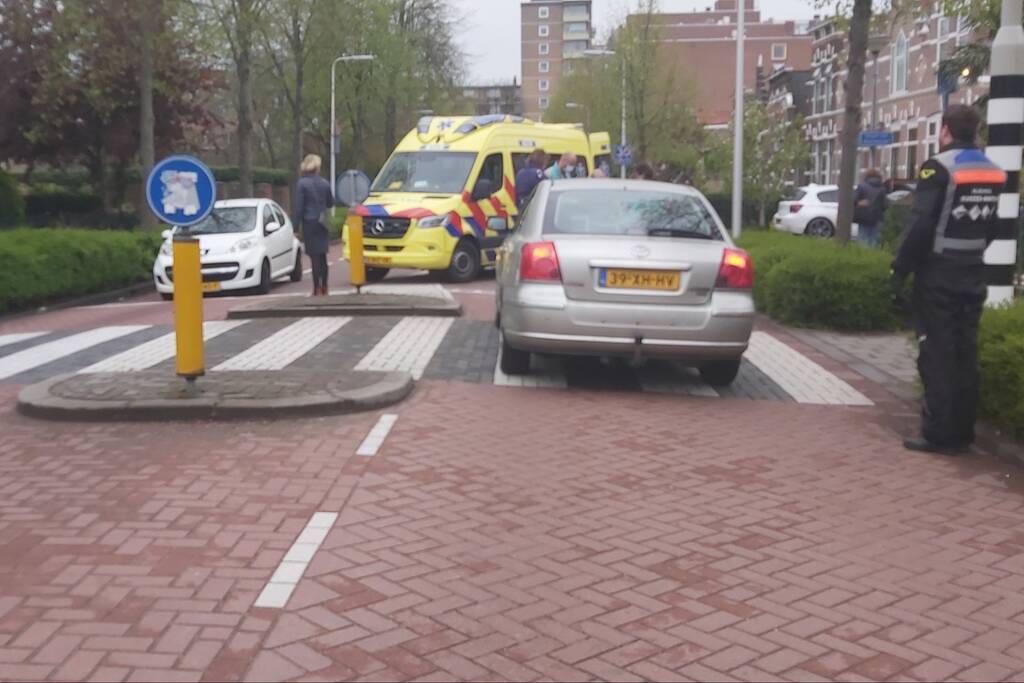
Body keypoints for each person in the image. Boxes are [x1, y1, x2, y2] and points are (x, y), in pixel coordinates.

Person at [890, 104, 1006, 455]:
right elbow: (995, 225)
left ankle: (938, 434)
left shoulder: (938, 168)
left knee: (937, 352)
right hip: (972, 271)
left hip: (938, 273)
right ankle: (962, 431)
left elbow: (922, 224)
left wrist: (900, 269)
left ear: (945, 131)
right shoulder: (993, 171)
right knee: (965, 352)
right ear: (976, 130)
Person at [293, 154, 335, 296]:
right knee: (323, 256)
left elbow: (299, 208)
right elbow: (331, 203)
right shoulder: (325, 183)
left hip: (309, 223)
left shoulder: (302, 184)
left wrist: (295, 227)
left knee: (314, 257)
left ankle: (316, 288)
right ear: (317, 167)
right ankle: (325, 287)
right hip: (322, 222)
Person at [853, 169, 888, 248]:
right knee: (874, 240)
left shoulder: (862, 186)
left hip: (863, 217)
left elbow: (854, 200)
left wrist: (859, 203)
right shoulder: (882, 188)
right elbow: (885, 205)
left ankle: (862, 254)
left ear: (866, 176)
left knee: (862, 239)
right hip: (877, 218)